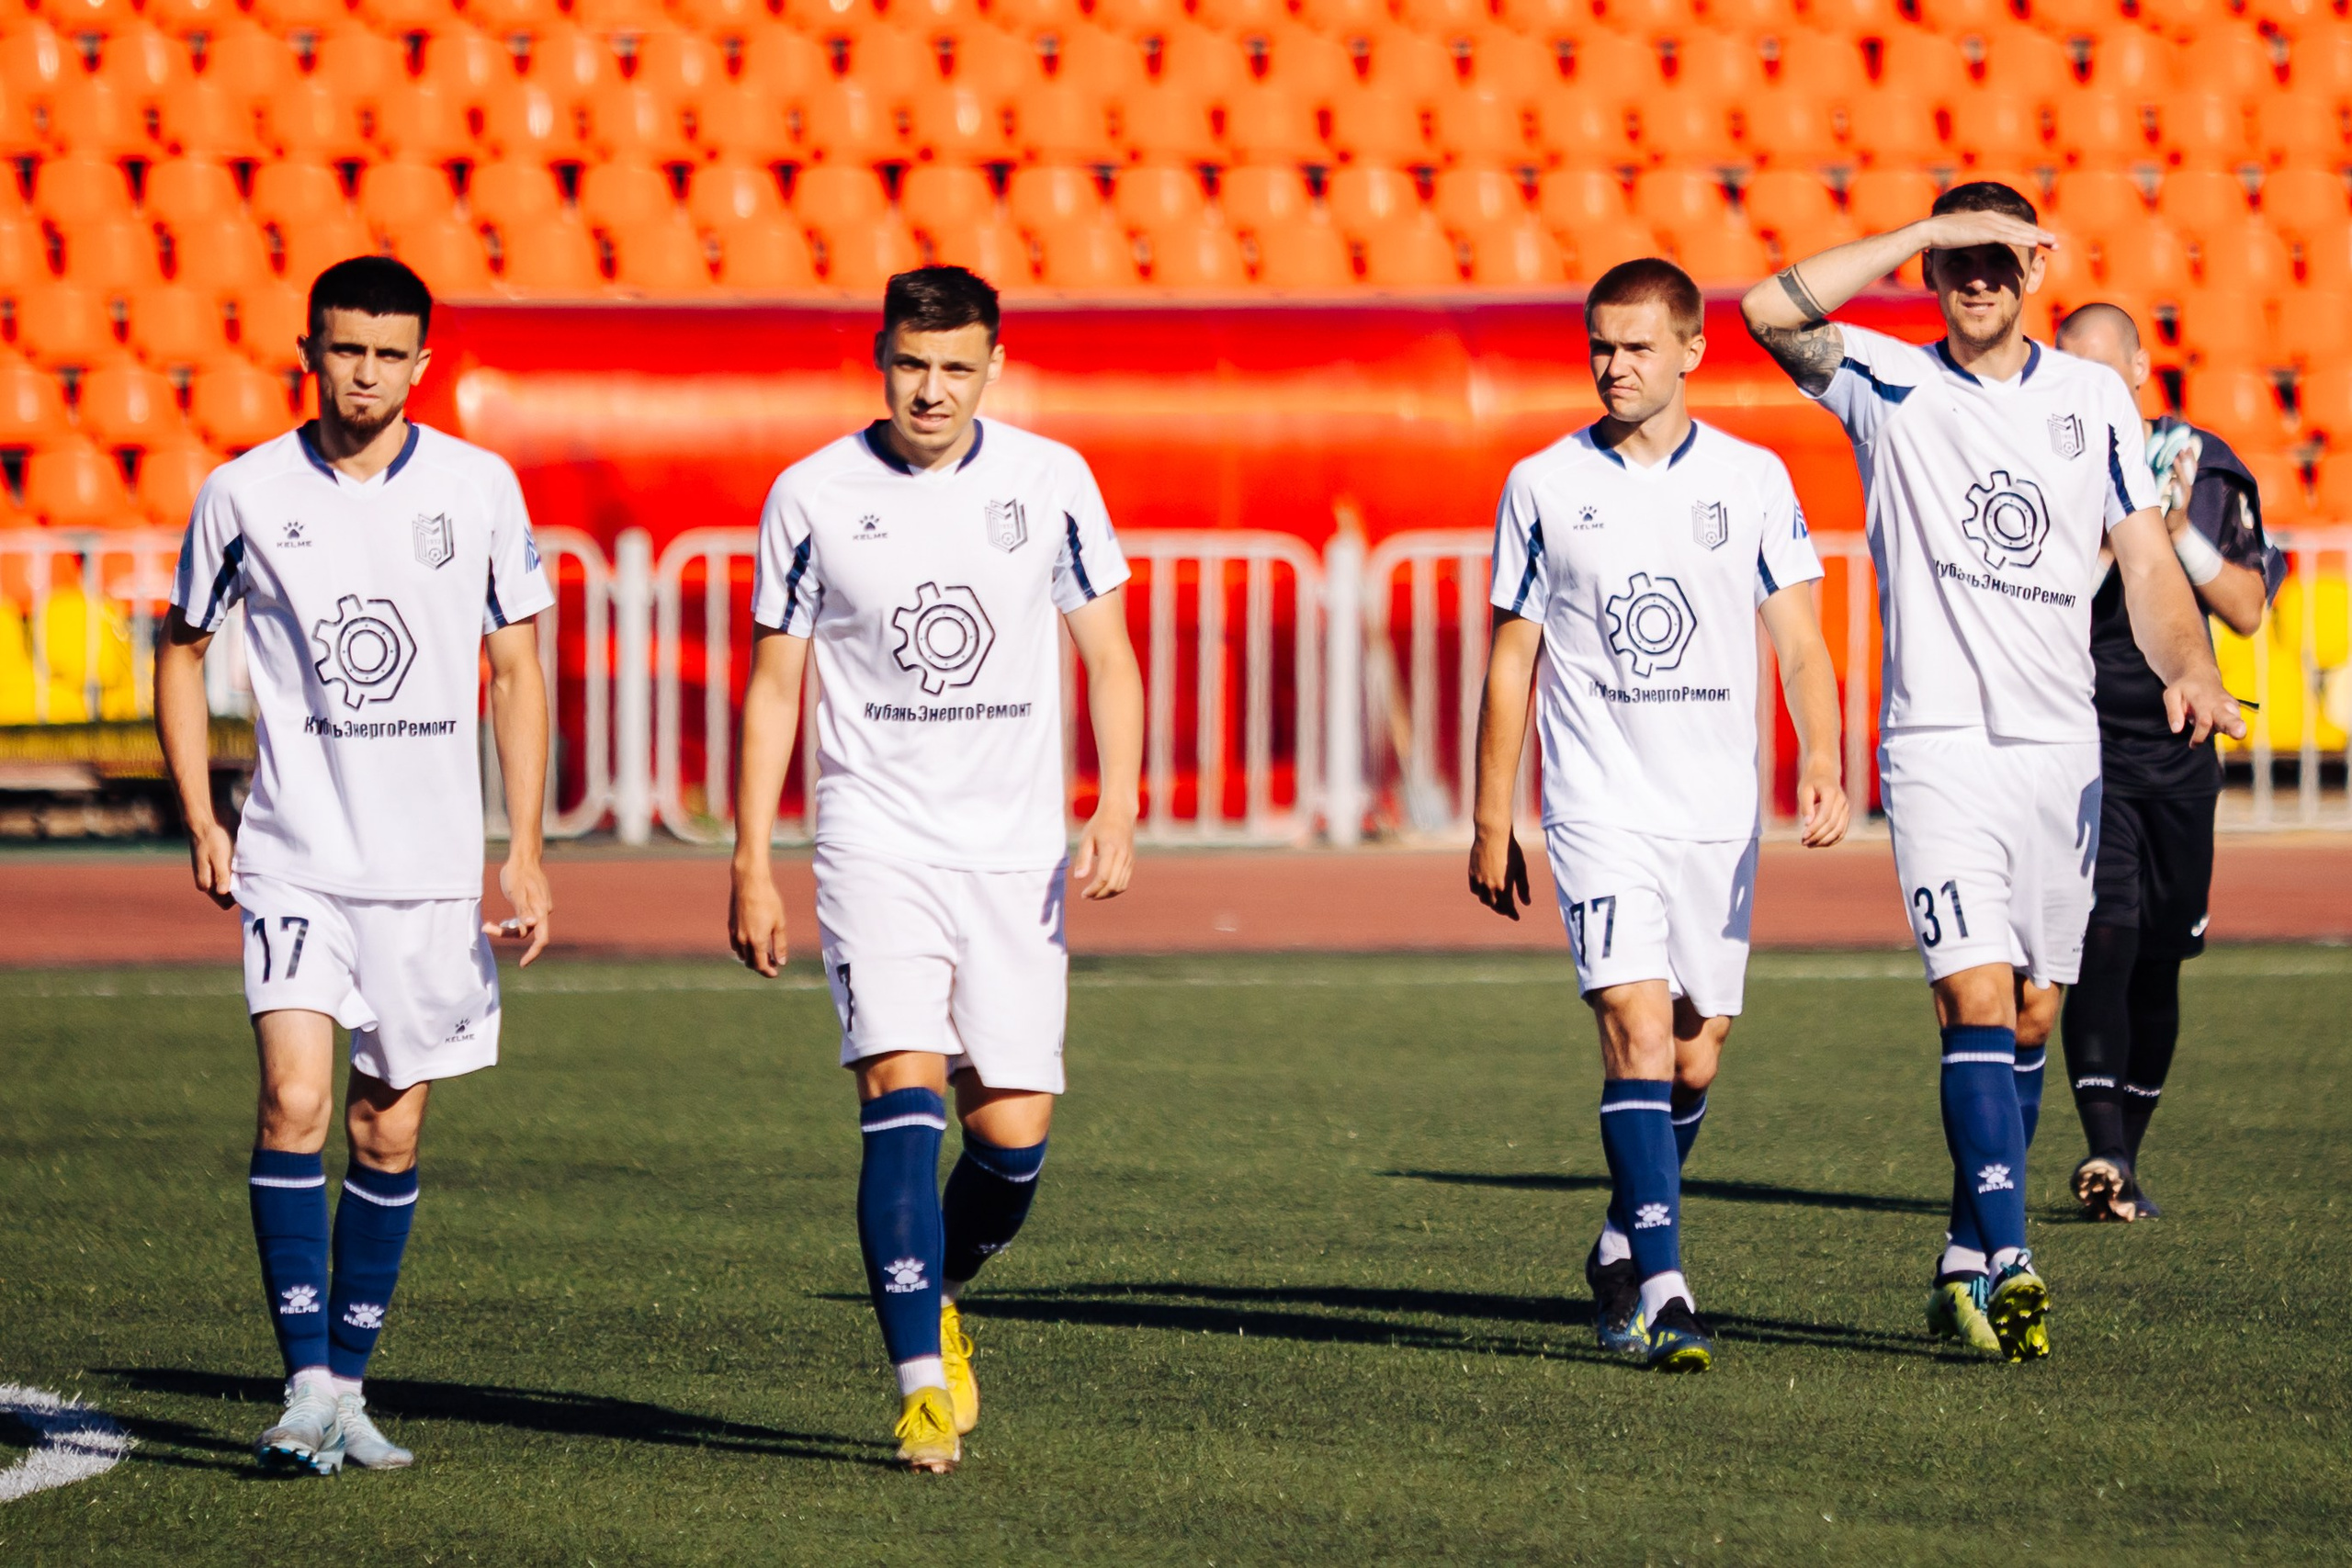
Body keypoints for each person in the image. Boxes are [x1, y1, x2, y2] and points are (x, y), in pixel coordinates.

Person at [1741, 183, 2244, 1361]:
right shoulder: (1886, 381)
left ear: (2035, 272)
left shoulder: (2091, 402)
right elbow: (1767, 307)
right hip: (1939, 751)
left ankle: (1964, 1257)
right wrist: (1914, 230)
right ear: (1931, 272)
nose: (1976, 280)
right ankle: (2014, 1255)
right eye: (1956, 261)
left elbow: (2144, 559)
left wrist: (2188, 669)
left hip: (2064, 751)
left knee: (2030, 1010)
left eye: (1997, 262)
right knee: (1971, 996)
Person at [729, 265, 1146, 1473]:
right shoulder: (810, 493)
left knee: (1011, 1143)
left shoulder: (1049, 481)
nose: (932, 389)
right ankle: (917, 1380)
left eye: (957, 367)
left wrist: (1116, 800)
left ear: (993, 366)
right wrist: (755, 857)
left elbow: (1110, 659)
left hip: (1013, 854)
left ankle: (941, 1287)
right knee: (897, 1097)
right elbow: (773, 686)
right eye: (913, 364)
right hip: (874, 841)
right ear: (880, 356)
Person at [153, 256, 556, 1473]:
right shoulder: (242, 493)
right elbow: (180, 647)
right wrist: (202, 813)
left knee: (386, 1133)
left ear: (421, 363)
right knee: (297, 1100)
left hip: (430, 871)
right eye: (344, 348)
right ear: (310, 351)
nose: (365, 371)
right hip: (294, 855)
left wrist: (525, 846)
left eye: (388, 352)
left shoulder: (481, 488)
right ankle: (305, 1384)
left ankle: (350, 1385)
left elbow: (519, 666)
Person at [1468, 258, 1851, 1373]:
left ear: (1691, 350)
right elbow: (1511, 662)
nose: (1614, 366)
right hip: (1598, 807)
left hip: (1714, 814)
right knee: (1634, 1028)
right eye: (1600, 345)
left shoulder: (1754, 478)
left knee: (1692, 1059)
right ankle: (1664, 1289)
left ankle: (1619, 1239)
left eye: (1637, 347)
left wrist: (1821, 754)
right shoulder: (1542, 484)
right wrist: (1495, 819)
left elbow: (1798, 637)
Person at [2052, 302, 2282, 1222]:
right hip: (2080, 739)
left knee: (2160, 955)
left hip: (2179, 744)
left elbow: (2247, 607)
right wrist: (2115, 533)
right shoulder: (2033, 463)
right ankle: (2103, 1150)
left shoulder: (2202, 461)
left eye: (2101, 370)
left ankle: (2124, 1159)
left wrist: (2174, 528)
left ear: (2141, 371)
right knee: (2100, 938)